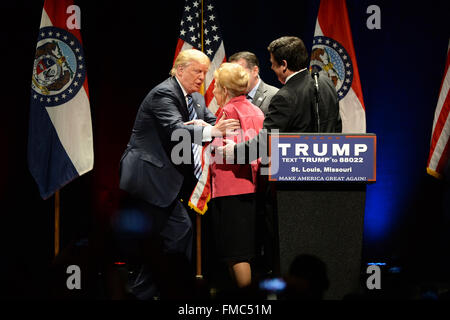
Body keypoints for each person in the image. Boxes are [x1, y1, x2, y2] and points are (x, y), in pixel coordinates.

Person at [118, 49, 240, 299]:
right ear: (180, 69)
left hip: (164, 182)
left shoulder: (194, 98)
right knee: (167, 236)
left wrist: (234, 123)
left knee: (176, 233)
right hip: (147, 177)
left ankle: (152, 292)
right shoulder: (164, 93)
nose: (202, 78)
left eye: (205, 73)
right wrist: (212, 131)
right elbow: (177, 131)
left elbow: (213, 122)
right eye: (198, 71)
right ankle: (146, 293)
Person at [216, 36, 342, 276]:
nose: (272, 69)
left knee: (289, 248)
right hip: (329, 185)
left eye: (273, 64)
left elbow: (265, 143)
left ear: (284, 65)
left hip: (292, 191)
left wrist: (234, 151)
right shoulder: (325, 82)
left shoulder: (284, 96)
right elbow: (336, 127)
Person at [209, 63, 265, 288]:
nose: (212, 91)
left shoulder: (229, 112)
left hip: (230, 189)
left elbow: (227, 151)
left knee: (236, 254)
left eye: (215, 86)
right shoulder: (256, 110)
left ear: (224, 88)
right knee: (238, 253)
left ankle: (245, 303)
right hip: (249, 189)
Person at [228, 51, 279, 115]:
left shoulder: (274, 96)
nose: (235, 78)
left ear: (255, 71)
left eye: (239, 73)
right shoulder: (231, 96)